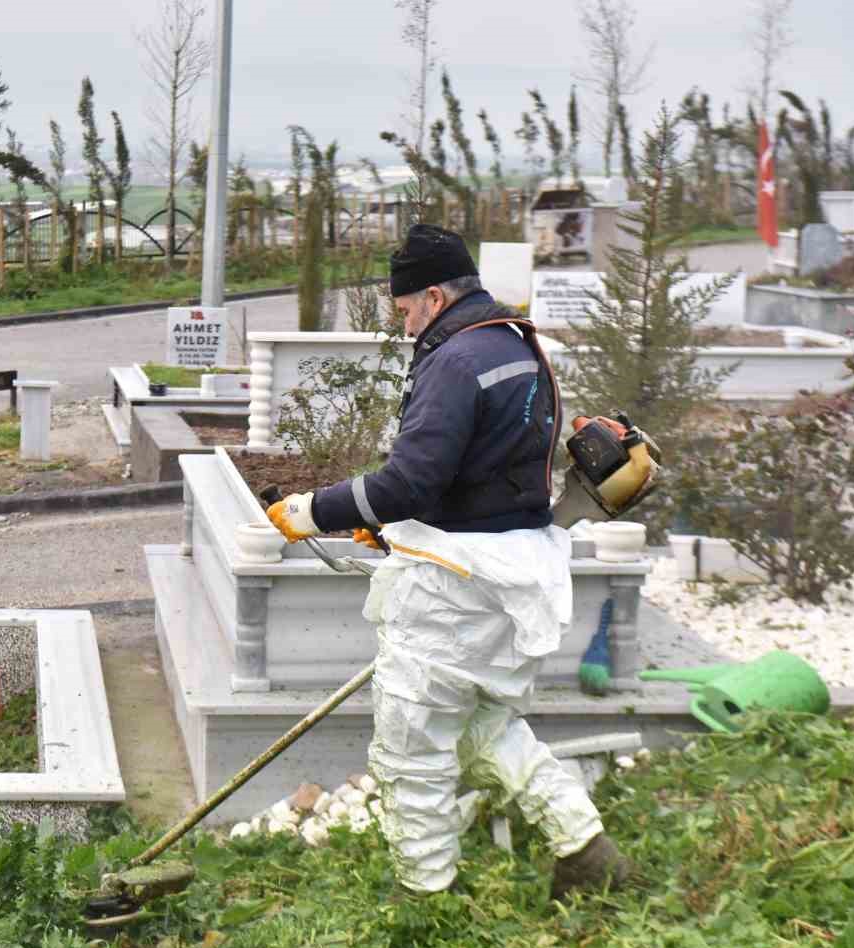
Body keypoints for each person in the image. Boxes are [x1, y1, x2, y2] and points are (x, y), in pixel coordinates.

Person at [266, 224, 639, 900]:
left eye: (407, 310)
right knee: (480, 726)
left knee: (412, 747)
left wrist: (311, 511)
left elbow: (408, 481)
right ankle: (585, 847)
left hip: (455, 594)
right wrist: (399, 534)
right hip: (512, 572)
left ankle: (427, 898)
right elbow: (489, 479)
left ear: (434, 296)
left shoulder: (454, 359)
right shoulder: (522, 347)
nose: (406, 325)